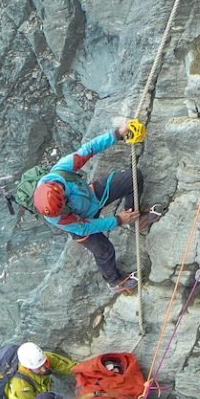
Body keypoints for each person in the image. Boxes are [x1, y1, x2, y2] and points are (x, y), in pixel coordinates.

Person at [32, 123, 160, 294]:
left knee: (133, 177)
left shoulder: (60, 172)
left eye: (62, 205)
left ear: (61, 192)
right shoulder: (56, 216)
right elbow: (85, 226)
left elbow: (89, 149)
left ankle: (134, 218)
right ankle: (114, 281)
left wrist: (117, 134)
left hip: (91, 197)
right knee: (104, 251)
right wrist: (118, 220)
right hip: (82, 221)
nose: (63, 208)